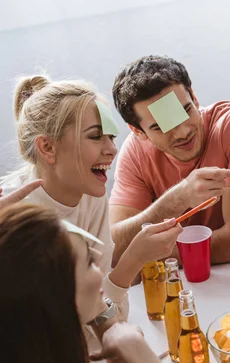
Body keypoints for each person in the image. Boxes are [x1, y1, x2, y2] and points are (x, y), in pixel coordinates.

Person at [1, 75, 183, 323]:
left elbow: (103, 319)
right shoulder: (15, 217)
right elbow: (69, 332)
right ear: (47, 148)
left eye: (111, 137)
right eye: (96, 136)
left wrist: (135, 258)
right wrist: (132, 260)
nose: (112, 149)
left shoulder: (91, 194)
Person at [0, 203, 190, 363]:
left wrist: (104, 318)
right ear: (57, 296)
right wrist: (138, 351)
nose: (100, 271)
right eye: (90, 261)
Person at [109, 55, 230, 264]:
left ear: (194, 97)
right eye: (161, 126)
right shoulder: (135, 151)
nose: (182, 132)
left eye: (185, 110)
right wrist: (177, 199)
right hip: (179, 278)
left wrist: (143, 255)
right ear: (137, 131)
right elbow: (115, 247)